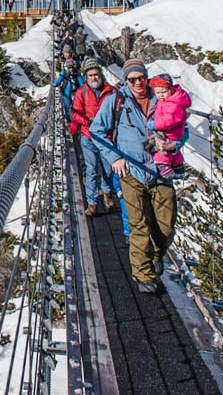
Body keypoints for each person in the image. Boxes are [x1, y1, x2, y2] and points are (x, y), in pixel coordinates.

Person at [88, 58, 179, 294]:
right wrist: (114, 158)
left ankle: (157, 254)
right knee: (138, 225)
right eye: (132, 79)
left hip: (161, 169)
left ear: (146, 78)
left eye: (141, 78)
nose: (138, 83)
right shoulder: (117, 101)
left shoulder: (162, 98)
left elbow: (182, 127)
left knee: (166, 226)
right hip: (131, 170)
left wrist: (175, 145)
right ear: (125, 80)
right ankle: (143, 274)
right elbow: (96, 131)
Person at [70, 58, 115, 217]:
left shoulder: (111, 92)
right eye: (90, 75)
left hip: (106, 137)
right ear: (86, 77)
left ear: (100, 74)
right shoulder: (82, 93)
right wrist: (87, 122)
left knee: (108, 169)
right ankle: (93, 203)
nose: (94, 77)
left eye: (96, 74)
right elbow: (75, 113)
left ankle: (107, 193)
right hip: (88, 136)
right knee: (92, 170)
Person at [148, 74, 189, 179]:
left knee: (161, 151)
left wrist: (154, 125)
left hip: (168, 132)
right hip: (172, 133)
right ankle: (178, 167)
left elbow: (168, 121)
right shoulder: (167, 101)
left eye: (164, 92)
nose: (161, 95)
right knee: (172, 153)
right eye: (158, 93)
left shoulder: (173, 104)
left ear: (170, 89)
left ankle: (164, 168)